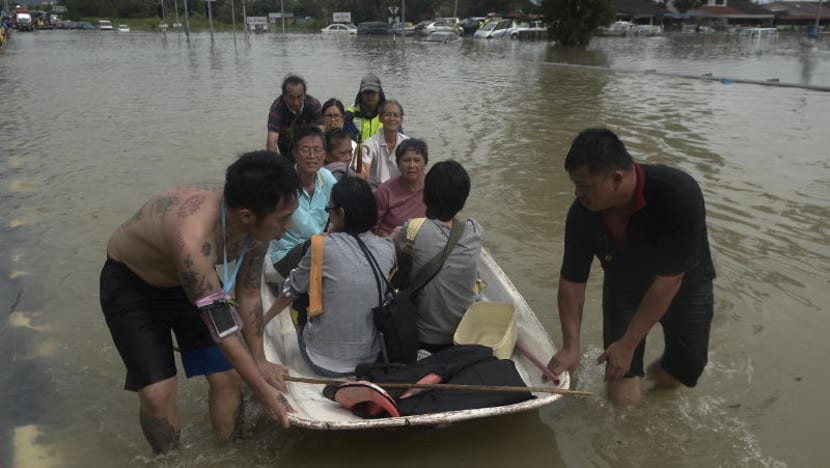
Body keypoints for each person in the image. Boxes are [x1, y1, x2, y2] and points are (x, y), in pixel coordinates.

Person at [100, 151, 298, 454]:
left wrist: (259, 361)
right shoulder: (193, 237)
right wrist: (263, 390)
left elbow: (248, 293)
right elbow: (224, 330)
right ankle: (170, 459)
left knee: (230, 377)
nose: (289, 225)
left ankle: (231, 452)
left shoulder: (259, 224)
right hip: (133, 287)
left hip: (191, 285)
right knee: (157, 394)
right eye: (283, 218)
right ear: (246, 215)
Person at [546, 128, 715, 406]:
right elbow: (572, 281)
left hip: (684, 284)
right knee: (621, 387)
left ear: (616, 179)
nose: (578, 193)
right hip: (625, 287)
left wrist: (627, 344)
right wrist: (570, 346)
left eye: (585, 186)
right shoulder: (582, 213)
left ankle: (651, 382)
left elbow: (669, 282)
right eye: (575, 185)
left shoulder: (678, 194)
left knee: (685, 369)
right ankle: (629, 407)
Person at [275, 177, 395, 376]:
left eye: (329, 209)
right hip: (369, 359)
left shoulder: (322, 245)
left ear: (341, 213)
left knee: (300, 285)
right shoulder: (387, 248)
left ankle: (310, 340)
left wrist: (262, 322)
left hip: (323, 361)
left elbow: (291, 291)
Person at [394, 160, 483, 351]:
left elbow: (388, 251)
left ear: (426, 195)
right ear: (464, 197)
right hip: (462, 334)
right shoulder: (475, 230)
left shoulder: (414, 229)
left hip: (422, 337)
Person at [268, 126, 337, 279]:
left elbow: (341, 212)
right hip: (286, 254)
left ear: (324, 154)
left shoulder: (327, 178)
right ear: (295, 154)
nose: (312, 156)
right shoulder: (282, 184)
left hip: (318, 246)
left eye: (317, 150)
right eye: (305, 150)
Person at [373, 138, 428, 237]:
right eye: (406, 160)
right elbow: (371, 227)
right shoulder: (385, 192)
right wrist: (390, 239)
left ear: (425, 163)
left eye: (417, 160)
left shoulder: (435, 188)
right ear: (398, 164)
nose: (412, 165)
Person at [266, 74, 323, 161]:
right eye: (291, 98)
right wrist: (273, 165)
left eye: (299, 97)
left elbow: (321, 133)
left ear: (304, 94)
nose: (296, 102)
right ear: (284, 96)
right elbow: (272, 140)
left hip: (308, 144)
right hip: (286, 145)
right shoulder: (277, 108)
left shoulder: (314, 104)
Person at [361, 100, 409, 188]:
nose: (392, 118)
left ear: (401, 119)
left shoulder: (407, 143)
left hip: (401, 188)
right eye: (387, 115)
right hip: (376, 189)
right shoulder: (370, 144)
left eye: (396, 115)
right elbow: (365, 173)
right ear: (380, 118)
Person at [344, 74, 386, 145]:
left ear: (380, 94)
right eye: (366, 92)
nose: (370, 96)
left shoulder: (389, 114)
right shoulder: (350, 114)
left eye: (373, 92)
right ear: (361, 94)